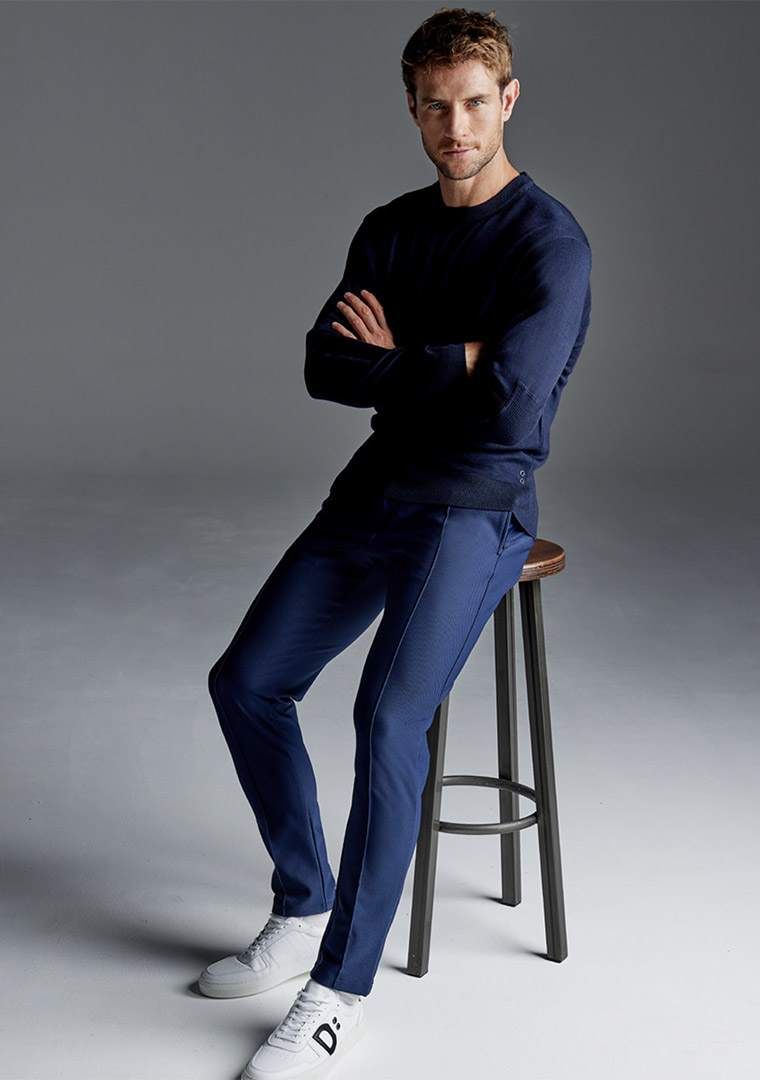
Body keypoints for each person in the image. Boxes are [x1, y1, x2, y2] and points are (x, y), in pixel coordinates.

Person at [199, 7, 592, 1078]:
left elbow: (514, 407)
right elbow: (325, 367)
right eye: (434, 106)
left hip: (478, 503)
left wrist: (405, 359)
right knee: (246, 682)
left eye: (474, 103)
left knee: (384, 716)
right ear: (412, 108)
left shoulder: (547, 242)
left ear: (507, 101)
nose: (454, 126)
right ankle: (302, 904)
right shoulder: (390, 229)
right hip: (379, 488)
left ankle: (341, 992)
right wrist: (454, 355)